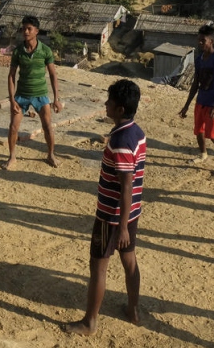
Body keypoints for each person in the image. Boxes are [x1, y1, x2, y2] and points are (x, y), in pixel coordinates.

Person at [66, 79, 145, 336]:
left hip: (112, 216)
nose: (106, 104)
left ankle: (90, 323)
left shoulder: (120, 140)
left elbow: (125, 185)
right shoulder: (137, 133)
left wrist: (120, 226)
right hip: (130, 212)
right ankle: (133, 310)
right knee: (129, 260)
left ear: (120, 108)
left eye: (109, 101)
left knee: (98, 267)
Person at [4, 16, 63, 170]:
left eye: (29, 29)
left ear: (37, 31)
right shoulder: (18, 52)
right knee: (13, 127)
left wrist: (56, 99)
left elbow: (52, 75)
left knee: (48, 126)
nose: (26, 31)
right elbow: (11, 76)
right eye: (24, 28)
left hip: (41, 95)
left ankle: (50, 155)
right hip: (21, 95)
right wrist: (12, 100)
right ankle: (12, 157)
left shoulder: (45, 51)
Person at [179, 25, 214, 174]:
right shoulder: (199, 59)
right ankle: (203, 154)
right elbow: (195, 83)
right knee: (198, 131)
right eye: (199, 40)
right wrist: (186, 105)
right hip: (200, 102)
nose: (200, 43)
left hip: (212, 104)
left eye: (203, 40)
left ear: (211, 41)